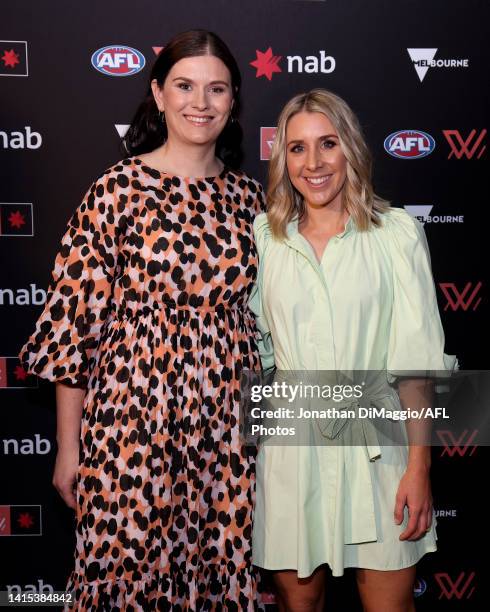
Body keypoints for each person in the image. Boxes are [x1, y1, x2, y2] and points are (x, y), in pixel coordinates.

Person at [20, 29, 265, 611]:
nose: (199, 102)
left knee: (222, 576)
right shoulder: (115, 192)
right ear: (158, 94)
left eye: (216, 89)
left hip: (227, 434)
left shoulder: (253, 202)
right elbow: (72, 328)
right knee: (127, 580)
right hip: (132, 427)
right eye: (184, 85)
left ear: (233, 103)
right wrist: (68, 446)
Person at [249, 89, 456, 612]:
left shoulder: (395, 234)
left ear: (351, 150)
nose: (313, 163)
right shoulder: (265, 238)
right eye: (297, 148)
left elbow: (417, 365)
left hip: (382, 451)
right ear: (283, 158)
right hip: (291, 450)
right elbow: (256, 350)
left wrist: (419, 468)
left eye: (328, 144)